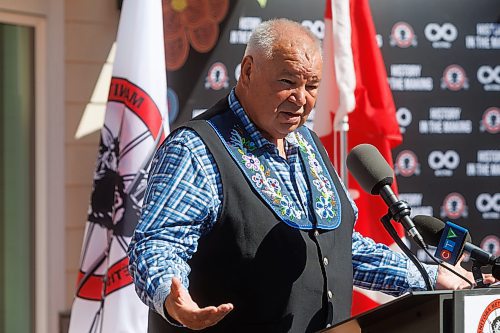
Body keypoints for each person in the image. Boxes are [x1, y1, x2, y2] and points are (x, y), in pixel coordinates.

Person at [127, 18, 493, 332]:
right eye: (288, 81)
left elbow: (344, 249)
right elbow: (159, 243)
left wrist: (430, 278)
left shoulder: (308, 144)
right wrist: (173, 300)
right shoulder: (195, 148)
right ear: (248, 70)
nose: (300, 98)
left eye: (312, 86)